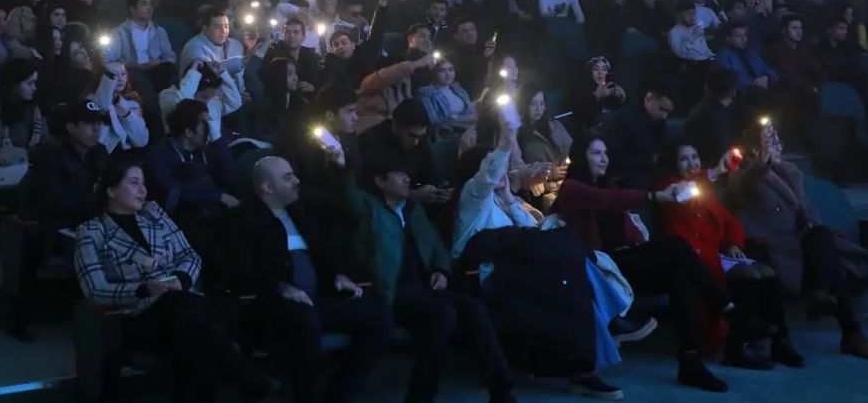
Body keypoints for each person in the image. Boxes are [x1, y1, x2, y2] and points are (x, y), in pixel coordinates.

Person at [74, 152, 274, 402]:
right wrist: (145, 288)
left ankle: (233, 381)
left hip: (180, 309)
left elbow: (190, 255)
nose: (143, 190)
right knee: (191, 313)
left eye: (144, 183)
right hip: (135, 316)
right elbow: (95, 289)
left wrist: (181, 278)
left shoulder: (154, 214)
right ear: (111, 190)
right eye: (134, 183)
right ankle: (245, 376)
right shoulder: (91, 232)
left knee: (191, 328)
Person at [452, 118, 629, 399]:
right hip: (488, 276)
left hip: (518, 269)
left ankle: (585, 362)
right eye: (493, 166)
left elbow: (532, 229)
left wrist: (509, 198)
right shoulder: (471, 200)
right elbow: (486, 177)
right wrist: (506, 140)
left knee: (573, 267)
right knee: (569, 272)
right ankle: (596, 347)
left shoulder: (501, 200)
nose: (500, 172)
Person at [326, 145, 517, 403]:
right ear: (380, 181)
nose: (407, 179)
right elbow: (346, 194)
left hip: (420, 287)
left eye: (407, 174)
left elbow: (435, 245)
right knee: (443, 314)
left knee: (474, 308)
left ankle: (502, 391)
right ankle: (421, 395)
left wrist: (441, 270)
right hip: (386, 289)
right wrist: (341, 167)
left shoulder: (411, 210)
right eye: (399, 174)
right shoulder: (366, 207)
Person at [555, 135, 743, 392]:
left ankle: (690, 361)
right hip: (600, 268)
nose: (604, 159)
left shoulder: (608, 185)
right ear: (580, 157)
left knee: (678, 272)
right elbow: (605, 200)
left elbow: (624, 222)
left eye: (605, 153)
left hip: (623, 264)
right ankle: (725, 308)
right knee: (676, 245)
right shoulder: (571, 188)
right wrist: (654, 196)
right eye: (596, 153)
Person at [228, 155, 391, 403]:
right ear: (267, 187)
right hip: (273, 304)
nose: (297, 181)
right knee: (306, 321)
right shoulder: (243, 220)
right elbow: (240, 271)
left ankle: (340, 395)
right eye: (288, 178)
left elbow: (323, 253)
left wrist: (337, 275)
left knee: (380, 316)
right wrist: (281, 287)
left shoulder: (300, 212)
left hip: (315, 297)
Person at [729, 120, 868, 360]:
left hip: (806, 241)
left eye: (776, 141)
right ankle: (850, 331)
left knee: (823, 240)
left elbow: (807, 209)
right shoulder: (744, 175)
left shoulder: (790, 172)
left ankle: (823, 297)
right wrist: (762, 161)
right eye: (769, 142)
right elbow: (746, 181)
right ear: (755, 149)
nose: (776, 146)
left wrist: (810, 223)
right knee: (833, 268)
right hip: (779, 244)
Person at [656, 139, 805, 369]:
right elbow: (686, 191)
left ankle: (780, 341)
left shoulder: (704, 189)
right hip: (693, 259)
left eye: (695, 157)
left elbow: (730, 221)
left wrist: (733, 242)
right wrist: (716, 171)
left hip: (715, 254)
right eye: (684, 159)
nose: (692, 163)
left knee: (768, 273)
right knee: (749, 275)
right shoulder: (668, 188)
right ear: (673, 163)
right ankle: (738, 347)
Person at [143, 97, 237, 283]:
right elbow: (172, 191)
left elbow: (230, 178)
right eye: (205, 125)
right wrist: (218, 196)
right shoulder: (159, 154)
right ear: (188, 132)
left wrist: (217, 136)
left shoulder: (205, 151)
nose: (209, 129)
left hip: (213, 217)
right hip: (180, 224)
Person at [26, 100, 109, 267]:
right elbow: (52, 202)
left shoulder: (99, 152)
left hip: (92, 225)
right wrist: (94, 198)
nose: (96, 130)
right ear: (71, 127)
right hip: (60, 232)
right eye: (89, 123)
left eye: (99, 123)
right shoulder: (51, 155)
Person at [599, 85, 674, 190]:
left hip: (644, 176)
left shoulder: (658, 122)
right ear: (648, 99)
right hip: (626, 179)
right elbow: (615, 156)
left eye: (668, 112)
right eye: (662, 109)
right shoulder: (625, 121)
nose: (664, 115)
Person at [110, 0, 178, 101]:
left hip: (157, 68)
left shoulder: (159, 30)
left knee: (169, 69)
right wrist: (137, 65)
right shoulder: (119, 33)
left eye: (150, 4)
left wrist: (160, 63)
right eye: (144, 3)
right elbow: (114, 61)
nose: (149, 8)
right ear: (132, 9)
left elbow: (170, 55)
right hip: (133, 69)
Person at [517, 84, 573, 212]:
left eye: (542, 104)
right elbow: (518, 167)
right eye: (533, 104)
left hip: (565, 181)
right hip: (540, 189)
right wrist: (549, 173)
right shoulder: (517, 132)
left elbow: (571, 148)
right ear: (524, 104)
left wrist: (568, 165)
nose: (538, 109)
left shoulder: (554, 125)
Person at [683, 69, 743, 166]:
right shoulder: (715, 117)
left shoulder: (701, 109)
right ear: (733, 92)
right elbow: (726, 156)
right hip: (714, 169)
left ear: (706, 88)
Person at [178, 10, 247, 94]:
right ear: (205, 28)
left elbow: (240, 78)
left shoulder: (235, 45)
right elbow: (211, 74)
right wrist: (243, 61)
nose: (223, 31)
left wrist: (241, 93)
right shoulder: (195, 47)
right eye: (218, 27)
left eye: (226, 26)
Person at [92, 61, 150, 153]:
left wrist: (127, 115)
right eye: (114, 75)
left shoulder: (132, 104)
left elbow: (142, 141)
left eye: (123, 74)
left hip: (127, 155)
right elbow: (102, 104)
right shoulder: (93, 102)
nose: (121, 79)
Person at [715, 20, 778, 101]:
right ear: (728, 38)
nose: (744, 39)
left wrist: (767, 77)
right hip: (741, 95)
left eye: (745, 35)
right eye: (738, 36)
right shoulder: (723, 56)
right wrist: (756, 82)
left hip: (762, 90)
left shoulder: (751, 53)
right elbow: (729, 80)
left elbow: (768, 70)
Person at [259, 16, 320, 94]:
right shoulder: (273, 54)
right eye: (287, 32)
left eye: (296, 32)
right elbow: (262, 77)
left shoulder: (311, 56)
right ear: (283, 36)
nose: (291, 35)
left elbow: (319, 80)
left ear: (303, 37)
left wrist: (314, 87)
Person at [419, 59, 477, 130]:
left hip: (469, 130)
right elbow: (434, 122)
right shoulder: (427, 93)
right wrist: (463, 121)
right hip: (446, 133)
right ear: (434, 73)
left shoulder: (460, 91)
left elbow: (472, 113)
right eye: (442, 71)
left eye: (451, 70)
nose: (448, 74)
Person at [573, 56, 626, 133]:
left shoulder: (615, 88)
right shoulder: (581, 92)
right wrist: (596, 96)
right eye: (595, 69)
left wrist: (622, 97)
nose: (600, 73)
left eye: (604, 69)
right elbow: (579, 115)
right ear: (590, 72)